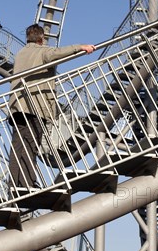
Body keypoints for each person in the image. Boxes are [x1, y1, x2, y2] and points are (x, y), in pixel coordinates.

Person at [8, 23, 96, 189]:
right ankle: (27, 184)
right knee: (31, 146)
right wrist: (81, 47)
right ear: (41, 38)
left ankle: (14, 186)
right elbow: (56, 53)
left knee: (18, 146)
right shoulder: (42, 51)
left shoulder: (21, 53)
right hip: (35, 106)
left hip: (17, 106)